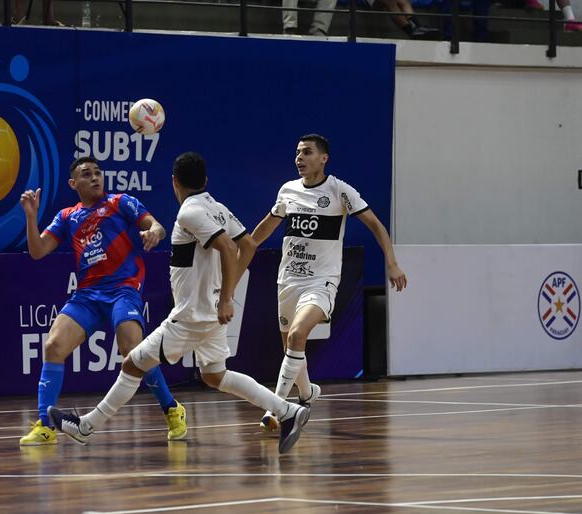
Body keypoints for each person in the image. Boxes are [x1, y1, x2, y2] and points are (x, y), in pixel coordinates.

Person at [48, 152, 311, 454]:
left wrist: (225, 297)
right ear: (206, 180)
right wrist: (223, 294)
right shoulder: (217, 207)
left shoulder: (190, 213)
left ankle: (85, 427)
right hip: (207, 311)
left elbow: (228, 247)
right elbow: (248, 245)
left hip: (192, 315)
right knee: (215, 375)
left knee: (133, 363)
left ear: (174, 182)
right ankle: (288, 411)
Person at [18, 156, 186, 445]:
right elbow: (37, 251)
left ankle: (172, 409)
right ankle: (45, 426)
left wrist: (153, 233)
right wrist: (31, 217)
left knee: (133, 351)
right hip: (87, 296)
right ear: (74, 183)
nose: (95, 177)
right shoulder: (67, 217)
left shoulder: (120, 202)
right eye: (86, 174)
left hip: (123, 289)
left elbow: (156, 225)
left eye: (98, 172)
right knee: (53, 346)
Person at [251, 134, 407, 431]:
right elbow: (264, 229)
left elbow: (376, 225)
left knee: (298, 336)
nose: (299, 158)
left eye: (307, 152)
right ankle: (308, 393)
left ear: (323, 158)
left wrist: (392, 263)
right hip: (287, 280)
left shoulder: (339, 191)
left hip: (321, 281)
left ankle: (276, 408)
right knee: (290, 346)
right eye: (297, 152)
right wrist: (241, 249)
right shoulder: (288, 191)